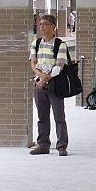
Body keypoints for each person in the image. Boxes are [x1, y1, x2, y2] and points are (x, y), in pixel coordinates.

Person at [28, 14, 69, 156]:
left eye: (45, 24)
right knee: (42, 116)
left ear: (53, 26)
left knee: (59, 115)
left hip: (54, 85)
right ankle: (43, 144)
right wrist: (40, 77)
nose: (41, 26)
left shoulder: (60, 45)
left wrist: (45, 79)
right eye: (40, 24)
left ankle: (62, 145)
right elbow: (33, 63)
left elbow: (60, 65)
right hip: (39, 84)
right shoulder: (36, 43)